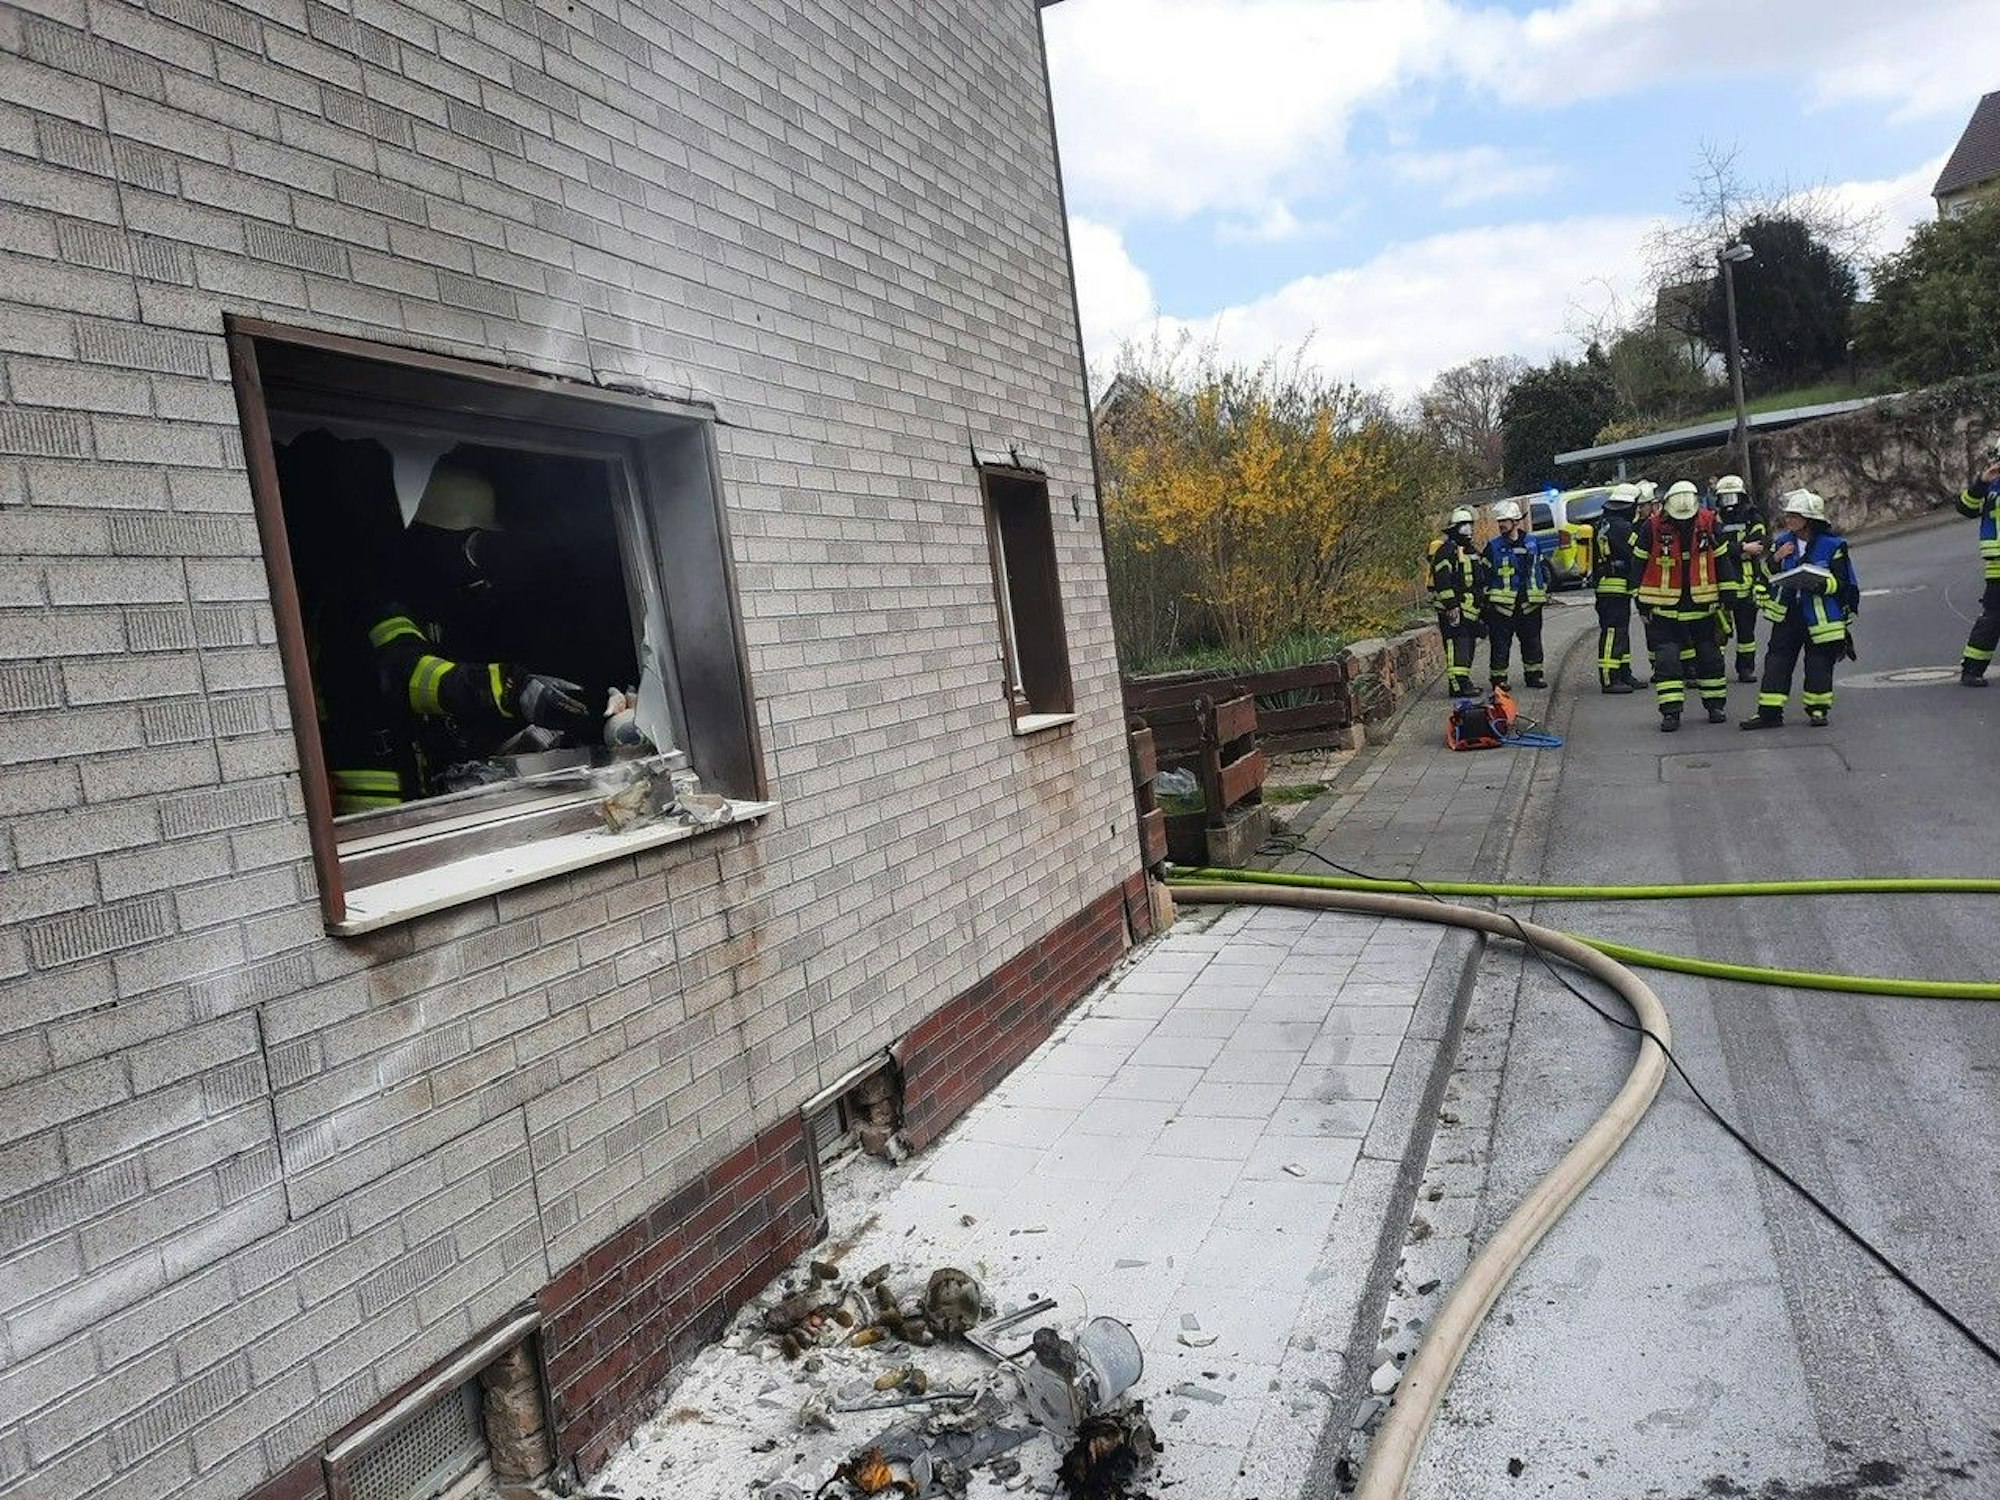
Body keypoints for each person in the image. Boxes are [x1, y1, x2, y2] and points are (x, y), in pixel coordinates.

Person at [316, 454, 597, 813]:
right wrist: (510, 688)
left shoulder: (426, 605)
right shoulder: (373, 597)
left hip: (414, 791)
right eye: (471, 547)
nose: (473, 564)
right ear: (438, 539)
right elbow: (406, 673)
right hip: (378, 805)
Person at [1740, 489, 1858, 729]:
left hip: (1820, 615)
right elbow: (1765, 575)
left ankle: (1818, 709)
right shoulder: (1783, 543)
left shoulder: (1833, 546)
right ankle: (1769, 713)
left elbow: (1843, 583)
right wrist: (1775, 559)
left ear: (1808, 519)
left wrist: (1819, 583)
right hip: (1788, 613)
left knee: (1818, 664)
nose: (1788, 520)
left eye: (1794, 516)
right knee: (1776, 662)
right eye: (1788, 516)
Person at [1635, 480, 1729, 732]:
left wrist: (1728, 594)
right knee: (1667, 662)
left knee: (1710, 658)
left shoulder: (1709, 522)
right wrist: (1640, 601)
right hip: (1664, 608)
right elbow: (1639, 564)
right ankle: (1671, 712)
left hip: (1702, 604)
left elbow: (1722, 559)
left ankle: (1715, 705)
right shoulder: (1652, 527)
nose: (1683, 523)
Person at [1482, 498, 1550, 690]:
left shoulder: (1533, 543)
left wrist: (1543, 592)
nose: (1501, 525)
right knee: (1500, 644)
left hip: (1529, 603)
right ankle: (1499, 680)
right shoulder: (1493, 547)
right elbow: (1484, 574)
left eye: (1504, 521)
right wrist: (1487, 602)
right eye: (1499, 522)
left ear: (1516, 522)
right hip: (1502, 607)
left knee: (1532, 641)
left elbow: (1540, 569)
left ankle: (1534, 675)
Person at [1712, 474, 1768, 683]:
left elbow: (1759, 545)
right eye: (1724, 497)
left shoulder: (1753, 516)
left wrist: (1731, 549)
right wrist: (1742, 547)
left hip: (1747, 583)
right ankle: (1715, 668)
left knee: (1747, 634)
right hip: (1723, 585)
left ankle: (1746, 668)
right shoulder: (1714, 518)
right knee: (1719, 631)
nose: (1728, 502)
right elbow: (1716, 546)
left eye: (1732, 497)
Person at [1428, 505, 1488, 697]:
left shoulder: (1470, 551)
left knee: (1467, 647)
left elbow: (1478, 580)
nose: (1468, 531)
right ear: (1455, 529)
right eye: (1464, 527)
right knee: (1457, 646)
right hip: (1453, 611)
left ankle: (1464, 682)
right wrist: (1451, 605)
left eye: (1470, 527)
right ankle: (1457, 686)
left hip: (1470, 610)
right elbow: (1442, 580)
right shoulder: (1447, 551)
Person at [1590, 484, 1644, 693]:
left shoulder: (1602, 524)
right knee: (1613, 631)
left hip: (1607, 586)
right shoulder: (1622, 528)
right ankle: (1610, 678)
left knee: (1621, 631)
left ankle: (1624, 673)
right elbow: (1637, 552)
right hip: (1615, 586)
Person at [1955, 436, 2000, 686]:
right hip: (1997, 566)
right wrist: (1980, 483)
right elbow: (1965, 508)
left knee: (1992, 618)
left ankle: (1971, 669)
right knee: (1993, 618)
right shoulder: (1990, 485)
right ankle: (1971, 669)